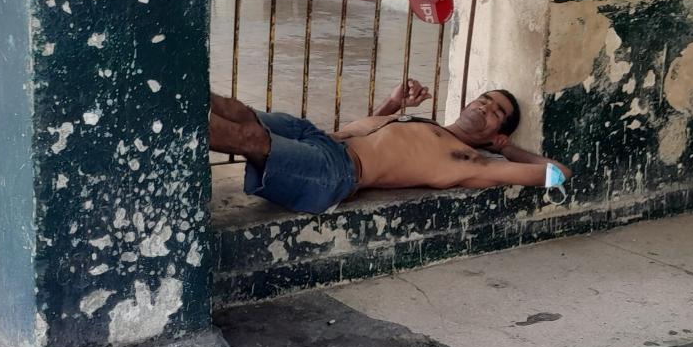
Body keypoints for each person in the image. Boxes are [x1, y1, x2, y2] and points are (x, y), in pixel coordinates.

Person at [209, 79, 572, 213]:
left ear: (497, 135)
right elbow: (370, 134)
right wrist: (392, 104)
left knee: (250, 139)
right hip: (318, 137)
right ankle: (163, 95)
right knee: (236, 111)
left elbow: (558, 174)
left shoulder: (468, 159)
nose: (485, 106)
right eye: (484, 98)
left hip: (336, 171)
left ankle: (160, 130)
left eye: (497, 112)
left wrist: (508, 150)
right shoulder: (426, 125)